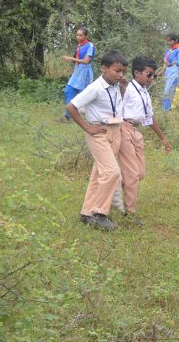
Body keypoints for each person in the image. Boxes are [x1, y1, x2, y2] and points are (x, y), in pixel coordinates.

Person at [66, 51, 127, 231]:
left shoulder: (116, 86)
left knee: (99, 173)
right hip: (98, 132)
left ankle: (86, 214)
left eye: (123, 71)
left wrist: (122, 88)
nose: (121, 75)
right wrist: (88, 127)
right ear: (104, 68)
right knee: (112, 172)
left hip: (115, 130)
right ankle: (101, 213)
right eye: (117, 71)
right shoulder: (96, 88)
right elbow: (71, 106)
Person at [112, 56, 172, 224]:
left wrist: (163, 138)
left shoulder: (145, 92)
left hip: (137, 131)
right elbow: (118, 87)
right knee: (131, 174)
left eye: (154, 76)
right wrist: (122, 81)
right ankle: (129, 213)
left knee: (140, 173)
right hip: (124, 128)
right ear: (137, 73)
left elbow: (149, 118)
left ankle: (111, 193)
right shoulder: (127, 88)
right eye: (149, 75)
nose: (152, 79)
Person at [60, 28, 95, 122]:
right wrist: (71, 60)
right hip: (77, 71)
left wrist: (71, 58)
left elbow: (86, 61)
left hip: (85, 72)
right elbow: (77, 59)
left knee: (84, 95)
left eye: (80, 35)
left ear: (85, 36)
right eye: (77, 35)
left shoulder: (90, 46)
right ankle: (68, 115)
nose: (78, 37)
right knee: (68, 90)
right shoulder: (79, 45)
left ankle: (89, 118)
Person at [162, 33, 179, 112]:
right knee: (172, 94)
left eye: (170, 41)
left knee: (167, 93)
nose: (168, 42)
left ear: (176, 40)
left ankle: (165, 112)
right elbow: (165, 64)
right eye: (167, 41)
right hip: (168, 73)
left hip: (174, 73)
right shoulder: (170, 51)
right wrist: (160, 73)